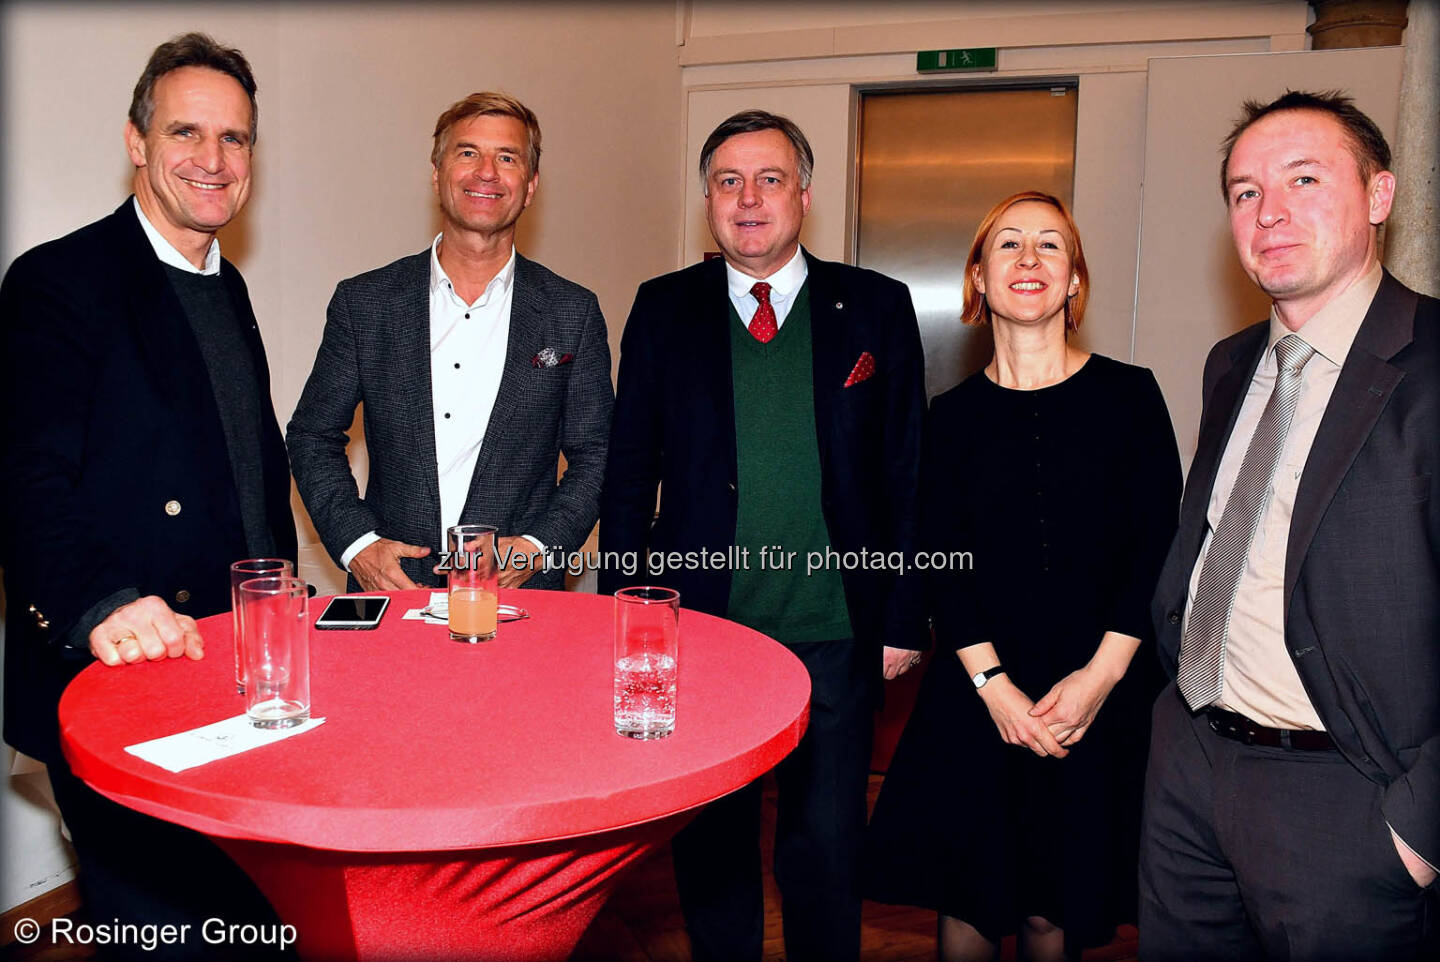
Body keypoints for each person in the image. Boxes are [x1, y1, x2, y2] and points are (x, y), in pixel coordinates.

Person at [598, 108, 927, 961]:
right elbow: (630, 472)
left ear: (805, 196)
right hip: (703, 633)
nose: (749, 199)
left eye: (770, 179)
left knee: (825, 850)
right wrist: (627, 619)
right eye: (728, 181)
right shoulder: (663, 308)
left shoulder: (877, 309)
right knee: (712, 851)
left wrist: (899, 619)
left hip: (834, 634)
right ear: (707, 199)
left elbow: (906, 471)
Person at [0, 33, 295, 953]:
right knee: (156, 932)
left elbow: (244, 472)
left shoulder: (227, 284)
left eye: (235, 139)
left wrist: (286, 609)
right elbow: (24, 471)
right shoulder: (60, 280)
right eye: (186, 132)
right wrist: (101, 602)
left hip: (232, 676)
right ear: (135, 140)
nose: (213, 160)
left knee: (245, 924)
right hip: (122, 673)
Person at [1140, 90, 1438, 960]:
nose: (1269, 212)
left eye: (1304, 179)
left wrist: (1418, 829)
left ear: (1378, 196)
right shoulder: (1232, 363)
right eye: (1243, 191)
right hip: (1190, 763)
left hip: (1348, 794)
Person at [864, 191, 1182, 961]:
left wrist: (1098, 681)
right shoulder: (951, 415)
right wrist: (994, 688)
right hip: (979, 691)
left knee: (1053, 907)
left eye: (1051, 245)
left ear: (1075, 281)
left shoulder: (1131, 396)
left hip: (1100, 690)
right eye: (1008, 245)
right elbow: (943, 563)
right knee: (970, 900)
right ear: (979, 277)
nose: (1030, 259)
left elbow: (1158, 549)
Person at [287, 92, 612, 592]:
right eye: (467, 153)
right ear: (437, 175)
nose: (486, 172)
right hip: (395, 596)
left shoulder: (573, 312)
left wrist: (539, 547)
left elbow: (598, 454)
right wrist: (357, 546)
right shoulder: (365, 303)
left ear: (529, 186)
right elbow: (312, 435)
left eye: (507, 158)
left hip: (519, 601)